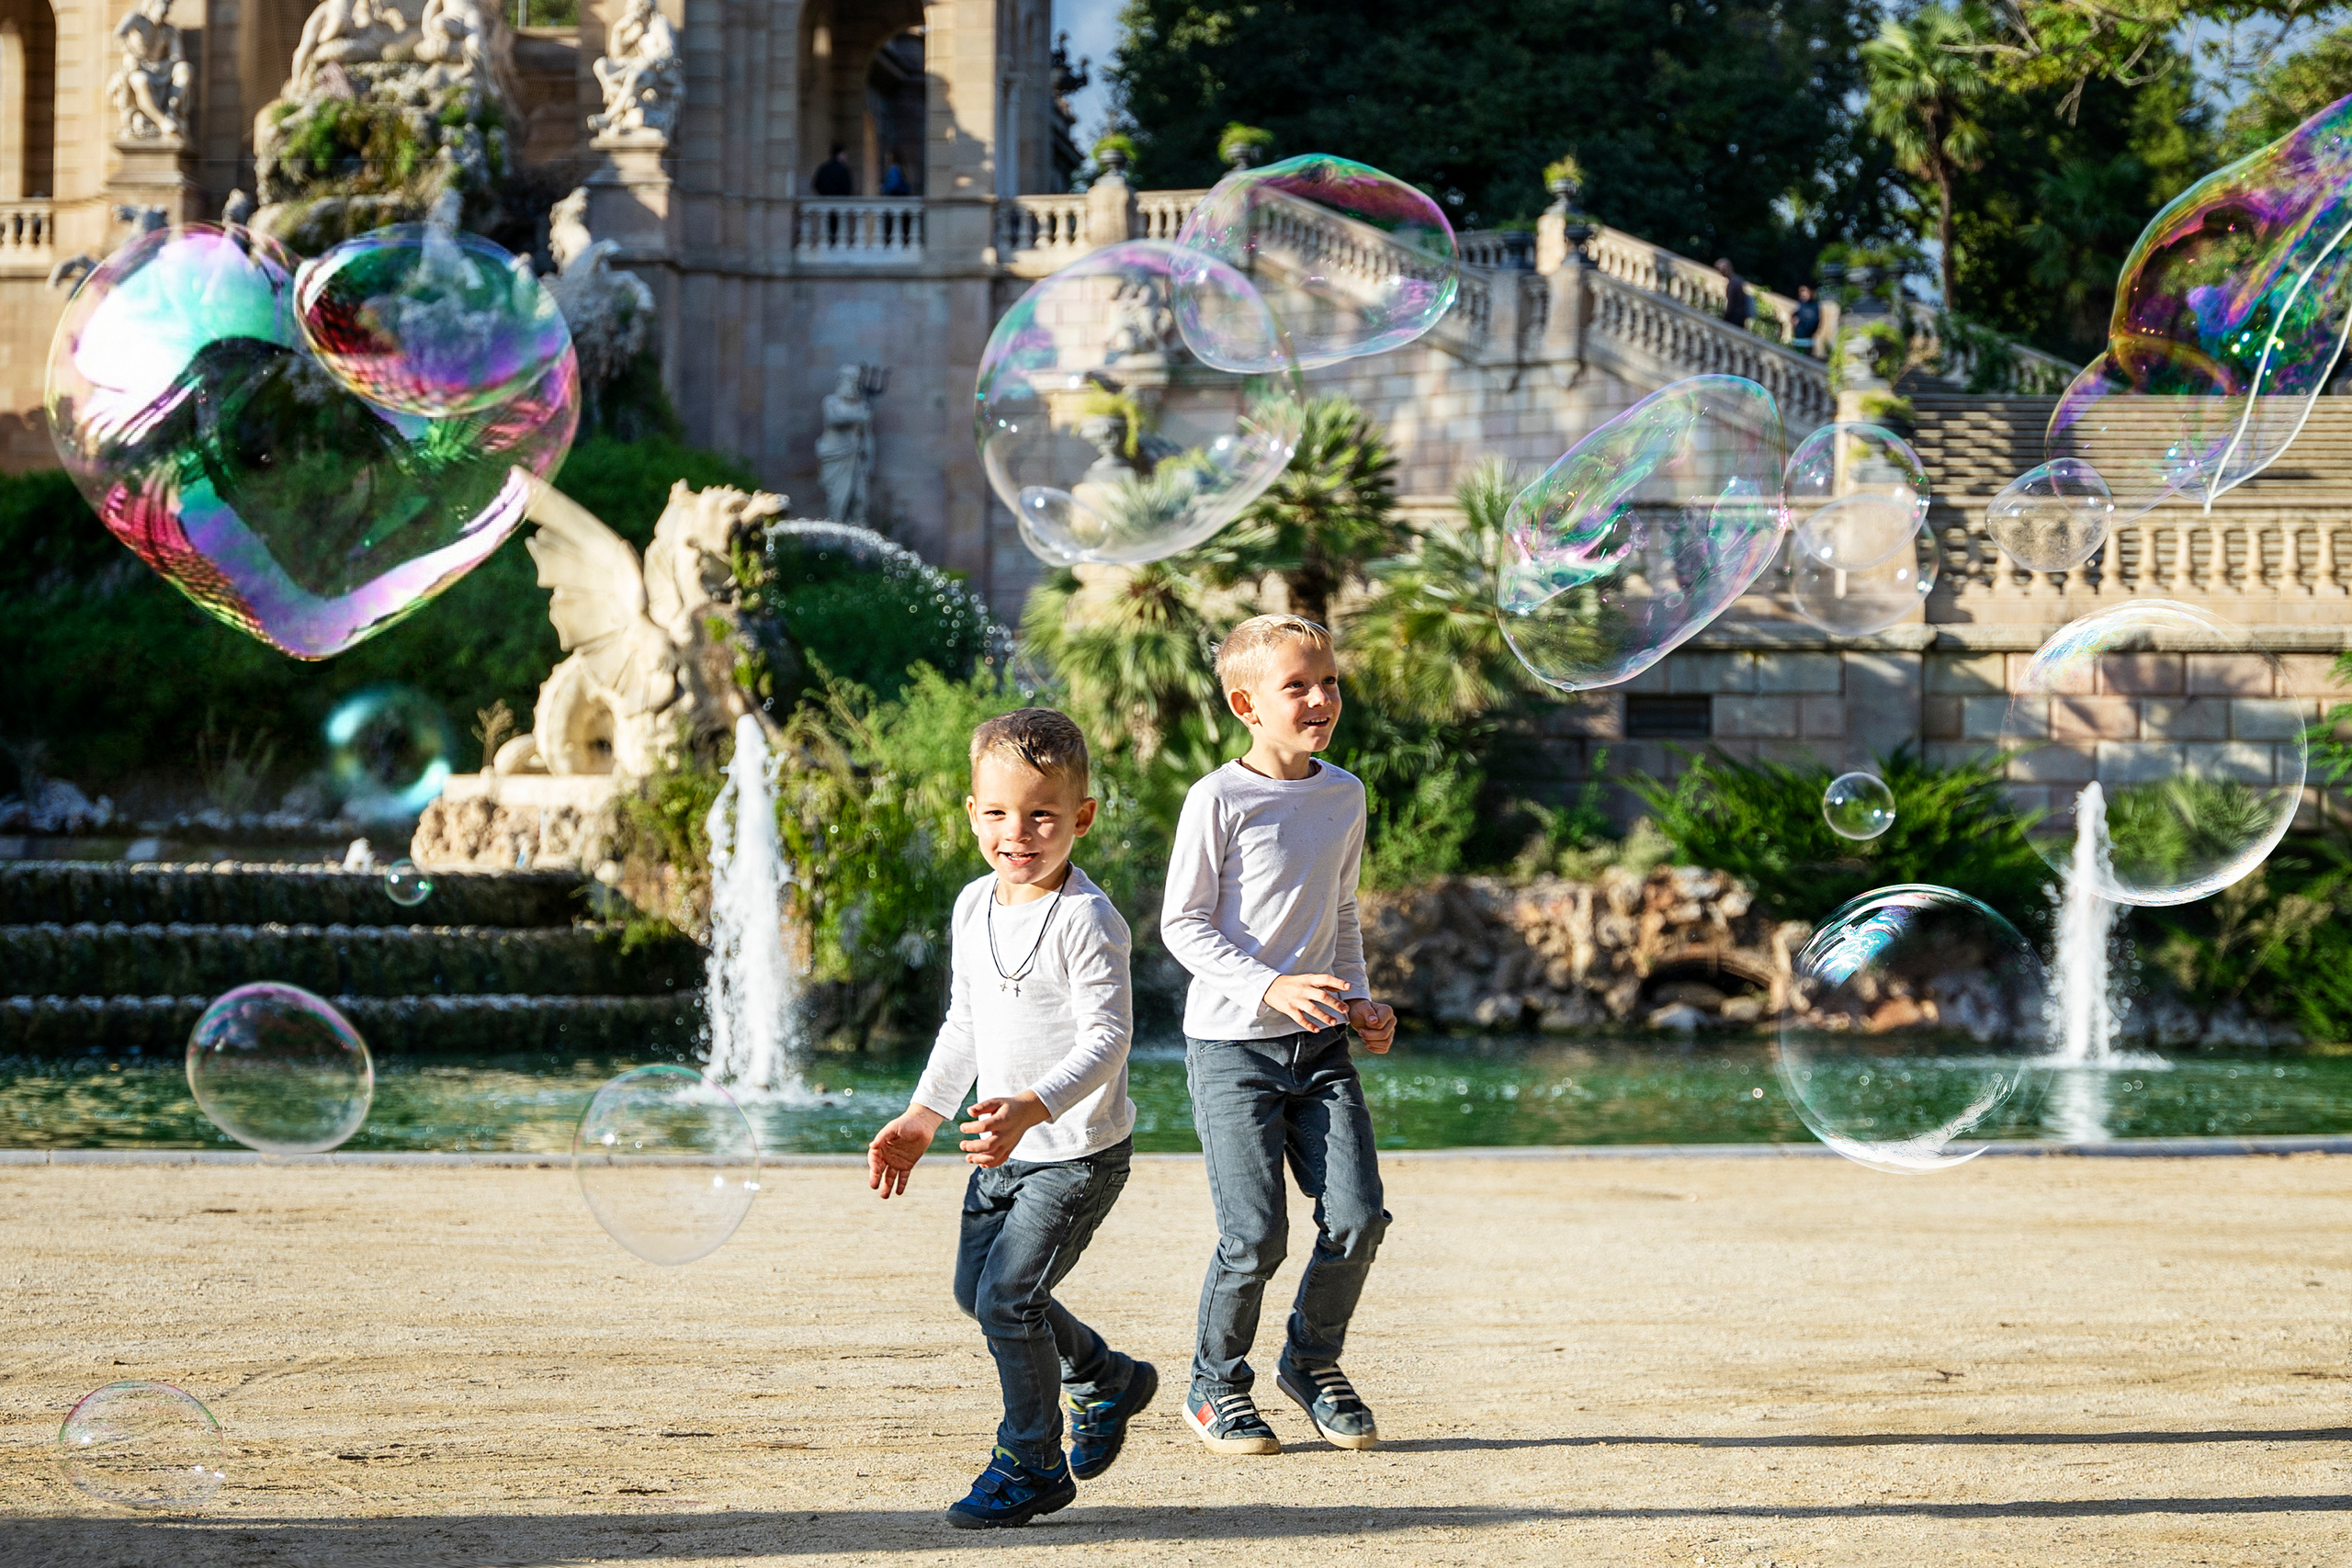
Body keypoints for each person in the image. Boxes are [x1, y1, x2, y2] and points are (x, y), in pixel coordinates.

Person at [867, 708, 1155, 1529]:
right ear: (971, 813)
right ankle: (1106, 1375)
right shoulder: (972, 905)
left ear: (1082, 818)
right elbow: (967, 1020)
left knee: (1007, 1302)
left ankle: (1031, 1462)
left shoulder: (1088, 919)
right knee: (981, 1294)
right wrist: (926, 1113)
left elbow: (1110, 1035)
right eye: (997, 813)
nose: (1017, 833)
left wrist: (1035, 1105)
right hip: (1001, 1151)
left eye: (1041, 815)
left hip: (1075, 1154)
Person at [1162, 614, 1399, 1457]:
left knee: (1360, 1215)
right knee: (1255, 1234)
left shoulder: (1345, 794)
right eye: (1296, 684)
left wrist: (1361, 1002)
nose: (1320, 697)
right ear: (1246, 703)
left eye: (1328, 681)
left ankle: (1311, 1362)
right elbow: (1182, 925)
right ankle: (1214, 1387)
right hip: (1233, 1050)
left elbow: (1340, 913)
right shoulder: (1217, 799)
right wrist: (1269, 984)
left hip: (1323, 1045)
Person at [1716, 257, 1751, 330]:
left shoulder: (1733, 283)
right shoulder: (1738, 280)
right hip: (1741, 317)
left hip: (1734, 318)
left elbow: (1731, 304)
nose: (1721, 272)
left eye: (1722, 270)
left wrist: (1725, 318)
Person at [1791, 283, 1822, 355]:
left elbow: (1815, 320)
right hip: (1798, 339)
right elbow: (1794, 314)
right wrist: (1793, 319)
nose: (1804, 295)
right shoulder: (1800, 303)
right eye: (1801, 292)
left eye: (1805, 292)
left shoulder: (1814, 305)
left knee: (1806, 358)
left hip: (1808, 340)